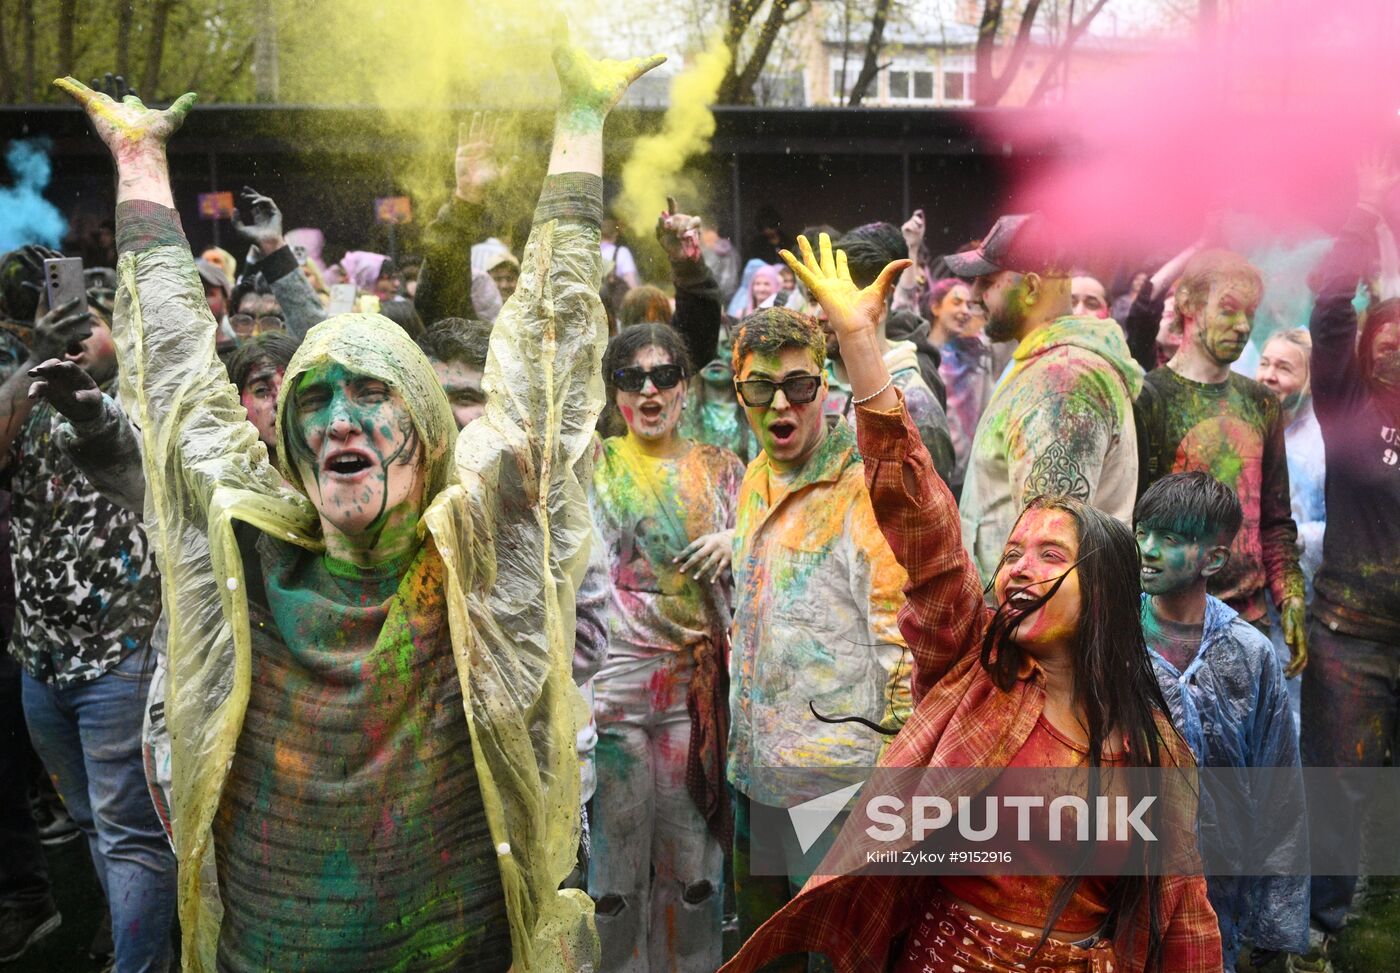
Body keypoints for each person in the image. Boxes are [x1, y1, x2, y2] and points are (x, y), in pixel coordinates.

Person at [53, 40, 663, 971]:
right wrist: (140, 162)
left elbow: (550, 351)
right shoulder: (251, 552)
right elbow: (178, 383)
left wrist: (579, 125)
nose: (340, 416)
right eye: (314, 397)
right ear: (292, 444)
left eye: (372, 394)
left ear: (426, 428)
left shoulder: (474, 556)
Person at [722, 231, 1220, 973]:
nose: (1018, 569)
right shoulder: (976, 677)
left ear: (1107, 589)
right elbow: (923, 524)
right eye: (1012, 553)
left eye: (1050, 556)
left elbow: (1183, 930)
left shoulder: (1151, 751)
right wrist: (860, 347)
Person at [727, 303, 913, 965]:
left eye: (799, 385)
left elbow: (904, 655)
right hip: (753, 776)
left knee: (833, 957)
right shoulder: (754, 477)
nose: (782, 402)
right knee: (762, 952)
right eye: (760, 387)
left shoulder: (864, 492)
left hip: (834, 795)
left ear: (825, 386)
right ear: (738, 388)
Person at [0, 290, 173, 973]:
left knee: (129, 834)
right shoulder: (28, 400)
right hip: (42, 662)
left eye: (90, 321)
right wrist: (33, 361)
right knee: (93, 825)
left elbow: (116, 443)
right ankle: (145, 952)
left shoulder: (148, 395)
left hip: (120, 658)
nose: (76, 333)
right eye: (62, 320)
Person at [587, 322, 743, 971]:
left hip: (695, 696)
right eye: (631, 377)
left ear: (685, 385)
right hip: (614, 696)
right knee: (615, 880)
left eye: (663, 375)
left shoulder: (722, 468)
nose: (648, 390)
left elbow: (769, 554)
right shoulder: (592, 462)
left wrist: (741, 540)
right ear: (613, 390)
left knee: (692, 872)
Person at [1135, 472, 1308, 970]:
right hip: (1124, 882)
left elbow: (1279, 792)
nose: (1147, 549)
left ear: (1213, 558)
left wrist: (1276, 922)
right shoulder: (1111, 635)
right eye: (1142, 532)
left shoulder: (1250, 655)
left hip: (1219, 891)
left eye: (1169, 539)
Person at [1294, 156, 1400, 969]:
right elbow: (1331, 304)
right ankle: (1323, 933)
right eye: (1384, 334)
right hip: (1350, 638)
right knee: (1338, 790)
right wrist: (1363, 214)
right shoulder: (1346, 405)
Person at [1133, 249, 1307, 670]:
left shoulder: (1262, 403)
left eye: (1249, 313)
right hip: (1166, 625)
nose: (1244, 325)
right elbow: (1133, 518)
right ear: (1190, 305)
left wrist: (1291, 594)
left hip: (1248, 623)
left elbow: (1275, 517)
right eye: (1229, 311)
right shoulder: (1149, 397)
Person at [947, 214, 1144, 585]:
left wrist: (1019, 637)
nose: (973, 296)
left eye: (986, 282)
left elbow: (1047, 559)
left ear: (1032, 289)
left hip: (1034, 628)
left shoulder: (1063, 382)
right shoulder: (1043, 365)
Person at [824, 222, 955, 484]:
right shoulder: (814, 385)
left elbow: (929, 512)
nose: (820, 316)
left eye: (837, 303)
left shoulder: (914, 403)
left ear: (881, 305)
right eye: (816, 299)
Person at [1255, 327, 1324, 723]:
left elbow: (1338, 529)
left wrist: (1290, 539)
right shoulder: (1252, 426)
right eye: (1264, 362)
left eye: (1284, 367)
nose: (1268, 374)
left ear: (1310, 381)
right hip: (1253, 599)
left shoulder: (1321, 444)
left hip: (1304, 603)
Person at [925, 276, 998, 498]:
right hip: (928, 472)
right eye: (956, 302)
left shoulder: (978, 357)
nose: (965, 310)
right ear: (935, 307)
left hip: (964, 481)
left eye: (969, 305)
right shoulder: (920, 356)